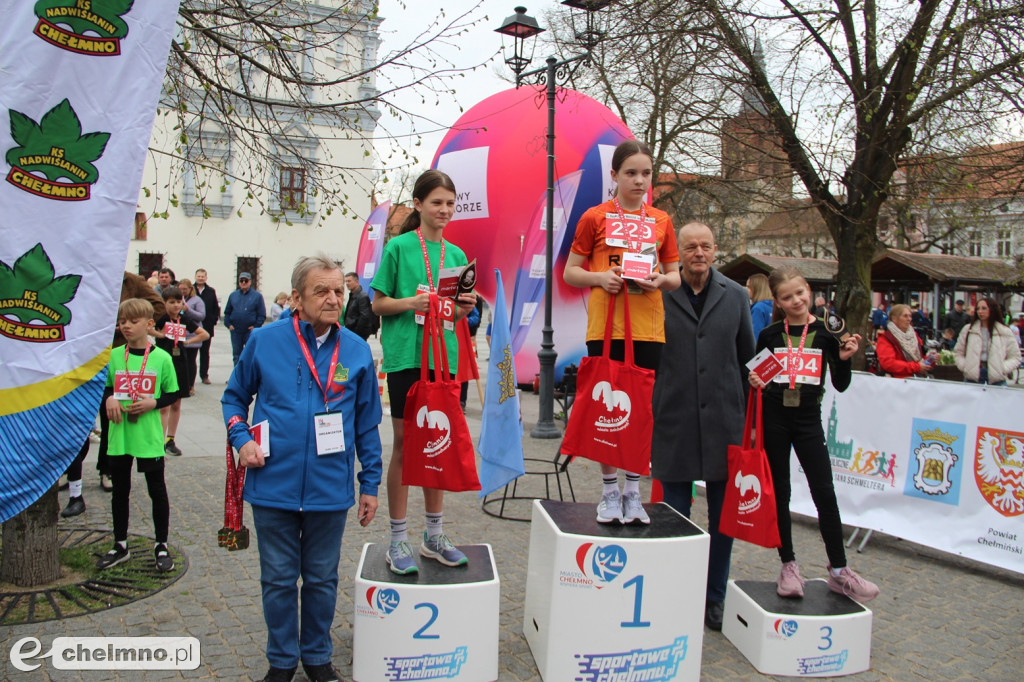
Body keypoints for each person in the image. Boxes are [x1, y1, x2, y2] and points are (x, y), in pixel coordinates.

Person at [222, 255, 383, 682]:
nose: (333, 299)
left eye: (338, 291)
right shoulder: (265, 340)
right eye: (321, 291)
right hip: (272, 482)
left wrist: (370, 483)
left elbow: (367, 424)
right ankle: (280, 662)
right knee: (276, 579)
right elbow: (233, 398)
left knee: (321, 579)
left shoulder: (356, 350)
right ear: (296, 298)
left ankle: (316, 657)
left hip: (329, 489)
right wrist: (243, 440)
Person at [563, 139, 682, 527]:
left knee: (642, 411)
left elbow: (676, 277)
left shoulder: (661, 220)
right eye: (630, 172)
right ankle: (610, 490)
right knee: (608, 410)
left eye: (646, 173)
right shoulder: (593, 218)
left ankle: (634, 491)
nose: (639, 180)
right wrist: (600, 277)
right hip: (607, 325)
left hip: (648, 328)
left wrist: (658, 280)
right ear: (614, 175)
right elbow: (570, 271)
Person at [749, 266, 879, 603]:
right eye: (787, 297)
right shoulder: (770, 335)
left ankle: (839, 570)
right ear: (777, 300)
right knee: (780, 492)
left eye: (800, 293)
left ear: (809, 290)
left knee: (824, 491)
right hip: (774, 418)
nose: (796, 301)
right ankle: (788, 565)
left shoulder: (826, 333)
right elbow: (757, 377)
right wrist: (754, 382)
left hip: (808, 421)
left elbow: (841, 383)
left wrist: (847, 360)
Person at [370, 169, 479, 575]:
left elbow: (456, 308)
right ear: (418, 205)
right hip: (406, 357)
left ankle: (434, 535)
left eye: (450, 203)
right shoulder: (399, 247)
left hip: (443, 357)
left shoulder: (455, 255)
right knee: (404, 441)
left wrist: (465, 307)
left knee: (439, 440)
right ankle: (398, 539)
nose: (444, 210)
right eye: (436, 202)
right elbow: (378, 304)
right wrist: (410, 305)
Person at [651, 221, 752, 631]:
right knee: (675, 516)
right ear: (679, 251)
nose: (698, 253)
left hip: (724, 421)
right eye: (690, 246)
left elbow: (747, 358)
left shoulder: (737, 295)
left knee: (723, 521)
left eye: (705, 247)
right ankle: (676, 593)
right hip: (674, 416)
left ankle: (715, 596)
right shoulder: (659, 291)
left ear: (715, 251)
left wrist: (749, 421)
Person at [98, 298, 179, 572]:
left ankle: (161, 544)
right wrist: (109, 398)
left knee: (156, 489)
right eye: (122, 322)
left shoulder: (161, 358)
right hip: (120, 435)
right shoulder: (113, 356)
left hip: (148, 436)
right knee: (120, 490)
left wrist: (153, 403)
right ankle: (120, 543)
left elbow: (173, 392)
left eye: (133, 322)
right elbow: (105, 387)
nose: (126, 327)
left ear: (148, 324)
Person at [153, 287, 209, 456]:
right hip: (163, 364)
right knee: (164, 405)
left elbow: (204, 334)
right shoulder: (161, 319)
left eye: (179, 302)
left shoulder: (184, 320)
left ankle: (170, 439)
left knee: (176, 403)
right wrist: (160, 335)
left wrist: (186, 341)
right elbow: (147, 329)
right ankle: (159, 440)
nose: (176, 305)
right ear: (165, 303)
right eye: (172, 302)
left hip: (180, 364)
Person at [954, 297, 1021, 386]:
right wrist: (966, 366)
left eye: (984, 308)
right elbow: (958, 352)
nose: (980, 311)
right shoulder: (968, 330)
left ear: (992, 309)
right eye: (978, 308)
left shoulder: (1004, 331)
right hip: (972, 377)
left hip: (997, 379)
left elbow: (1015, 357)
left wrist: (1002, 368)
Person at [875, 303, 936, 378]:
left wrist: (931, 359)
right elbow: (888, 364)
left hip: (917, 379)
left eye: (910, 316)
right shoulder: (886, 338)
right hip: (898, 382)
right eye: (905, 316)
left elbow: (920, 358)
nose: (909, 319)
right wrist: (916, 367)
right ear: (894, 318)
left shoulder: (914, 335)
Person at [224, 272, 266, 366]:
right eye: (241, 280)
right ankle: (237, 377)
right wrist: (228, 324)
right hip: (235, 330)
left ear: (250, 282)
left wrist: (255, 326)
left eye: (246, 280)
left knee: (250, 354)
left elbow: (261, 314)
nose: (243, 282)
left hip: (249, 331)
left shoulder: (257, 296)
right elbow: (227, 312)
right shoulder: (233, 295)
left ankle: (248, 377)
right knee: (236, 355)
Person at [178, 278, 206, 394]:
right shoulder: (177, 300)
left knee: (190, 361)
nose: (183, 291)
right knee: (180, 361)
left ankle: (190, 385)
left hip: (192, 335)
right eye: (181, 289)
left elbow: (201, 316)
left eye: (185, 289)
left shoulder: (197, 300)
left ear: (190, 289)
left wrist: (188, 310)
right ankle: (181, 384)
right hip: (180, 334)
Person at [193, 268, 221, 384]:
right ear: (195, 277)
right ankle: (190, 377)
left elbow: (215, 307)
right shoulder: (191, 290)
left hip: (207, 326)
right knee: (192, 354)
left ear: (206, 278)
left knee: (205, 352)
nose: (200, 278)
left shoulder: (210, 291)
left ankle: (204, 375)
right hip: (193, 327)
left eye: (202, 276)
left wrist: (213, 320)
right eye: (199, 276)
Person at [343, 272, 375, 340]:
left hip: (358, 334)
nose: (347, 283)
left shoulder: (362, 296)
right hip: (351, 332)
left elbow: (364, 316)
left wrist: (356, 332)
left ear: (356, 281)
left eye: (349, 281)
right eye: (346, 281)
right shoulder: (352, 295)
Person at [747, 273, 773, 339]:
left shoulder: (758, 308)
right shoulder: (773, 306)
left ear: (756, 288)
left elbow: (755, 336)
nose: (746, 289)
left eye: (748, 287)